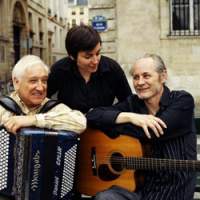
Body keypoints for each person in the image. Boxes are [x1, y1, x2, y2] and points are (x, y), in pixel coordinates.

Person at [86, 54, 197, 200]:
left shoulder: (182, 101)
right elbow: (93, 115)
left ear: (163, 76)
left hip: (174, 191)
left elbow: (154, 132)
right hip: (139, 191)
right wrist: (131, 117)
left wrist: (116, 124)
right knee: (105, 197)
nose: (140, 82)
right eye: (136, 77)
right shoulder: (133, 104)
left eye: (146, 76)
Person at [47, 25, 132, 114]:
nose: (95, 61)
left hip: (104, 125)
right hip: (69, 126)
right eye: (88, 57)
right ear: (72, 56)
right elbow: (43, 100)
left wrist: (105, 113)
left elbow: (128, 102)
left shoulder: (113, 69)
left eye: (98, 53)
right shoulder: (59, 70)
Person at [0, 55, 86, 135]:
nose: (41, 88)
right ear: (16, 82)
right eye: (33, 81)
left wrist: (33, 120)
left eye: (44, 81)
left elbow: (80, 123)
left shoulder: (53, 107)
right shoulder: (3, 108)